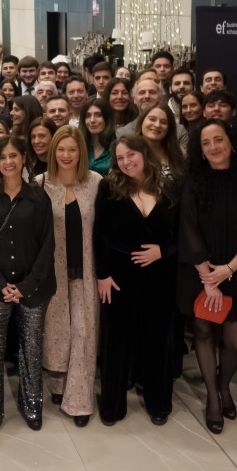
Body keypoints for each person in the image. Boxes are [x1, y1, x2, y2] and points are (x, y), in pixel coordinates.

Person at [179, 119, 237, 432]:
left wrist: (228, 269)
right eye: (206, 143)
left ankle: (223, 384)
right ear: (199, 150)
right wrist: (208, 277)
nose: (213, 147)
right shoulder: (193, 182)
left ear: (230, 142)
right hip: (201, 270)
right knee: (202, 332)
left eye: (219, 140)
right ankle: (213, 399)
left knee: (235, 341)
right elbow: (188, 230)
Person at [0, 134, 55, 433]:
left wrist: (27, 285)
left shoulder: (38, 196)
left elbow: (47, 244)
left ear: (24, 158)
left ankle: (31, 404)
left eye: (13, 156)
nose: (8, 162)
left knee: (31, 348)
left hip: (32, 288)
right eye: (2, 157)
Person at [95, 134, 178, 425]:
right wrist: (102, 274)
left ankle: (159, 404)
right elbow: (100, 234)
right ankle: (112, 407)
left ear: (144, 154)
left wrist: (163, 250)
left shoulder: (169, 187)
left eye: (131, 155)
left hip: (161, 276)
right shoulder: (109, 187)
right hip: (120, 276)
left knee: (158, 341)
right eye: (120, 158)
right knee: (117, 342)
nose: (126, 161)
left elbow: (183, 233)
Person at [36, 127, 101, 426]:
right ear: (53, 152)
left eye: (72, 150)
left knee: (84, 334)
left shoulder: (96, 183)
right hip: (53, 275)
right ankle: (59, 386)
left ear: (81, 153)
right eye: (60, 150)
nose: (66, 155)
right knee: (58, 334)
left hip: (88, 272)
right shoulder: (40, 184)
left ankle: (80, 401)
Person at [135, 103, 185, 180]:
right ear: (142, 121)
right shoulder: (128, 151)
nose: (157, 125)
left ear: (169, 128)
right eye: (152, 119)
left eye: (163, 122)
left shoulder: (179, 154)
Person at [79, 99, 116, 175]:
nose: (92, 120)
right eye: (88, 116)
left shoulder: (117, 146)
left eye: (98, 115)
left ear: (107, 118)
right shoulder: (78, 145)